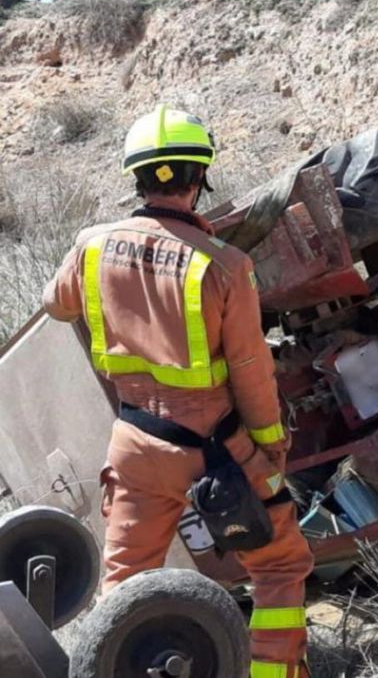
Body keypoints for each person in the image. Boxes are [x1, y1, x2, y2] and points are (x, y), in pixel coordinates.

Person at [42, 106, 314, 678]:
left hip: (135, 444)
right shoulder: (225, 265)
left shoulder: (92, 246)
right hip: (214, 448)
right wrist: (270, 448)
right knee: (280, 565)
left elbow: (55, 304)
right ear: (199, 177)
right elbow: (250, 368)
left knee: (125, 590)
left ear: (137, 178)